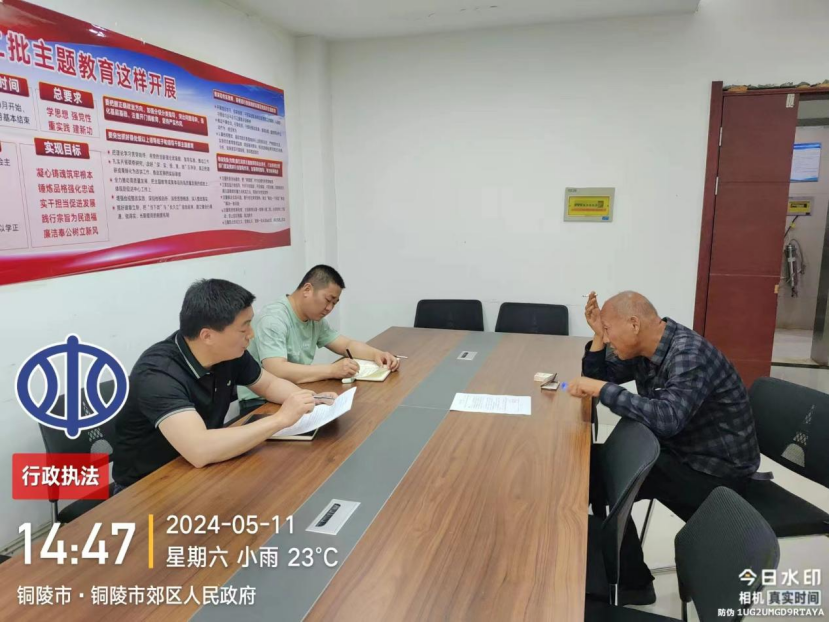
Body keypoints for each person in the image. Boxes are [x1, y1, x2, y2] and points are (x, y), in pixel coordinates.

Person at [567, 290, 760, 605]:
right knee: (589, 466)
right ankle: (616, 568)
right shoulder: (646, 349)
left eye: (609, 330)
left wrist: (603, 389)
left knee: (611, 472)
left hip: (716, 472)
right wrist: (598, 338)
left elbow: (667, 419)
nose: (609, 339)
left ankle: (633, 583)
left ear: (633, 324)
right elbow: (596, 379)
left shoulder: (689, 355)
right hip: (680, 451)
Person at [112, 279, 336, 490]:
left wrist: (308, 399)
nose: (252, 334)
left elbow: (269, 385)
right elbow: (199, 449)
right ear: (207, 336)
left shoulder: (229, 353)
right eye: (244, 328)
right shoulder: (157, 374)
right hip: (148, 488)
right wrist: (280, 419)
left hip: (204, 468)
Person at [237, 265, 399, 406]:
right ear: (307, 290)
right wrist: (332, 370)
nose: (329, 308)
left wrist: (377, 354)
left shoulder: (314, 318)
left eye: (334, 303)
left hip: (297, 392)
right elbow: (277, 369)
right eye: (328, 300)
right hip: (260, 401)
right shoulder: (273, 319)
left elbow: (346, 345)